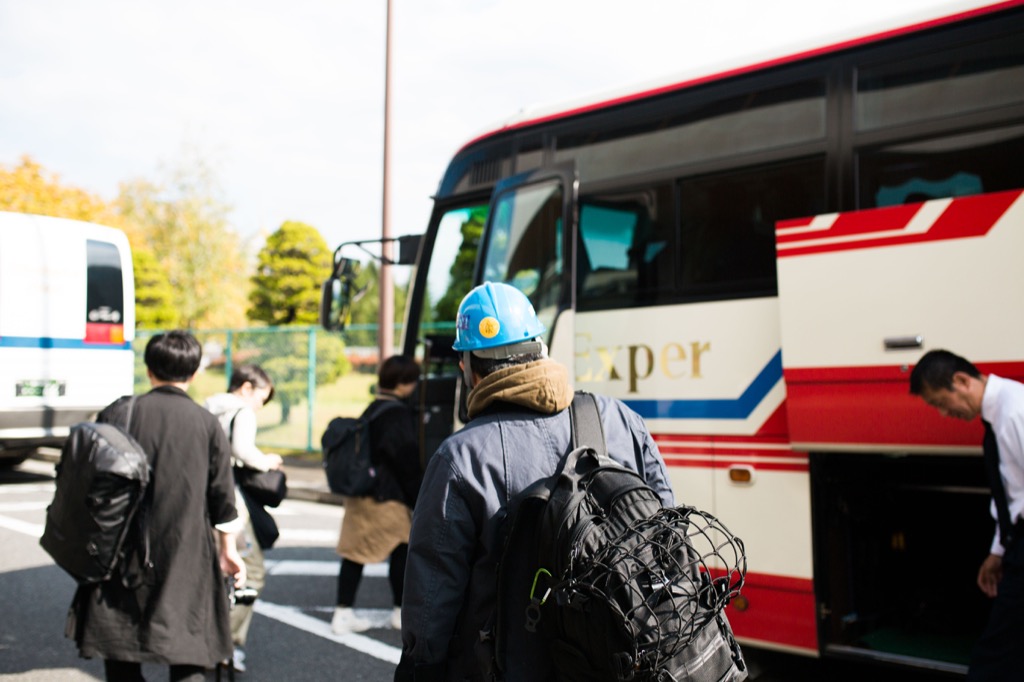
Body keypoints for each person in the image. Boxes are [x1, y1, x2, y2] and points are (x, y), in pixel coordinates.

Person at [395, 282, 674, 681]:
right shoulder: (621, 420)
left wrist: (418, 670)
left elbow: (432, 595)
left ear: (468, 368)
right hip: (621, 663)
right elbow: (665, 534)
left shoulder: (460, 457)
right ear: (541, 349)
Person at [67, 330, 245, 682]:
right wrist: (228, 551)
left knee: (121, 650)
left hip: (120, 548)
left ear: (149, 369)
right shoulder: (206, 423)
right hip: (186, 551)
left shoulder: (119, 412)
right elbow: (222, 499)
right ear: (193, 374)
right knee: (189, 649)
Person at [910, 349, 1024, 681]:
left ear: (961, 380)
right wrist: (999, 551)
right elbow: (1013, 495)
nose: (945, 414)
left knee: (996, 658)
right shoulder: (1000, 414)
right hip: (1016, 544)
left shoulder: (1015, 412)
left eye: (941, 403)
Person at [332, 355, 422, 634]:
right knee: (402, 548)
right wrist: (420, 495)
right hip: (386, 498)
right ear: (404, 384)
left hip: (361, 493)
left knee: (354, 553)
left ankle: (343, 612)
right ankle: (398, 612)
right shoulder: (397, 414)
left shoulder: (372, 409)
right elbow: (405, 461)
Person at [204, 364, 282, 674]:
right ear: (247, 387)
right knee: (250, 573)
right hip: (231, 504)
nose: (260, 406)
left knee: (213, 571)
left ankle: (209, 638)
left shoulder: (208, 407)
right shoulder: (242, 411)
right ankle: (227, 644)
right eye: (261, 398)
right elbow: (243, 450)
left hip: (203, 502)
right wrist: (267, 461)